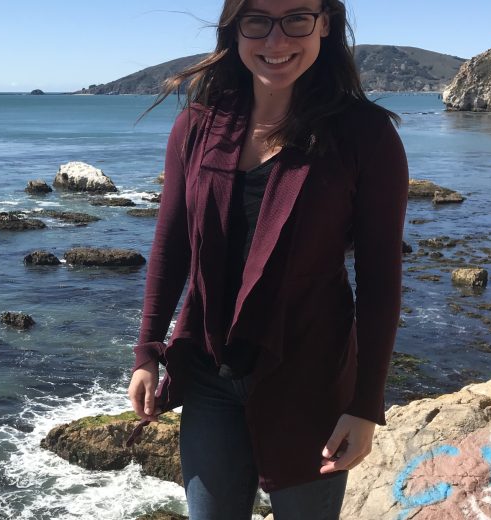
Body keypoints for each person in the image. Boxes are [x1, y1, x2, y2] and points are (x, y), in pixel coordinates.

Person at [126, 0, 408, 518]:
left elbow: (380, 280)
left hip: (310, 380)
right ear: (235, 29)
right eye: (257, 20)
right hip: (208, 375)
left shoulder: (365, 134)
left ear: (324, 23)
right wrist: (147, 350)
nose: (276, 41)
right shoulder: (197, 126)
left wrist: (366, 405)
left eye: (297, 18)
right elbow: (171, 244)